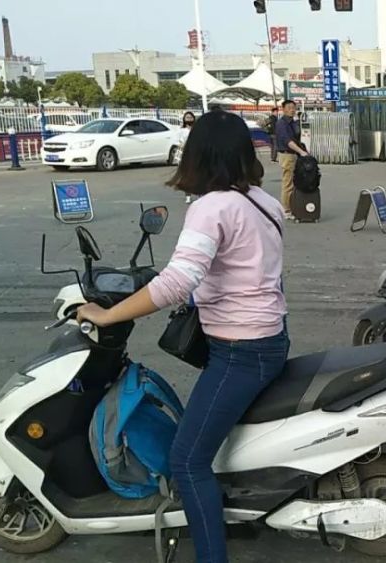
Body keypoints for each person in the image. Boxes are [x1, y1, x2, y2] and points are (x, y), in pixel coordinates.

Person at [76, 111, 288, 563]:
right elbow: (248, 270)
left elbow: (177, 281)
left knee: (187, 462)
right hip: (270, 336)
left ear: (198, 154)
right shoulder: (263, 202)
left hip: (240, 351)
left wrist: (109, 314)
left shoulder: (212, 207)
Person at [275, 99, 309, 220]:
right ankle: (286, 210)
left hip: (294, 155)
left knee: (294, 182)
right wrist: (301, 152)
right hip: (287, 155)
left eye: (293, 107)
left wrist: (303, 151)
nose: (292, 110)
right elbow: (287, 141)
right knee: (288, 183)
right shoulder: (281, 123)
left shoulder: (293, 122)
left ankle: (292, 206)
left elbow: (297, 139)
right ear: (283, 109)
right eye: (289, 108)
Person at [179, 112, 196, 204]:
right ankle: (188, 196)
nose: (189, 119)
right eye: (187, 117)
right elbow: (178, 141)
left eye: (190, 117)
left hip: (196, 155)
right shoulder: (182, 130)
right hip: (186, 155)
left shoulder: (197, 129)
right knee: (187, 176)